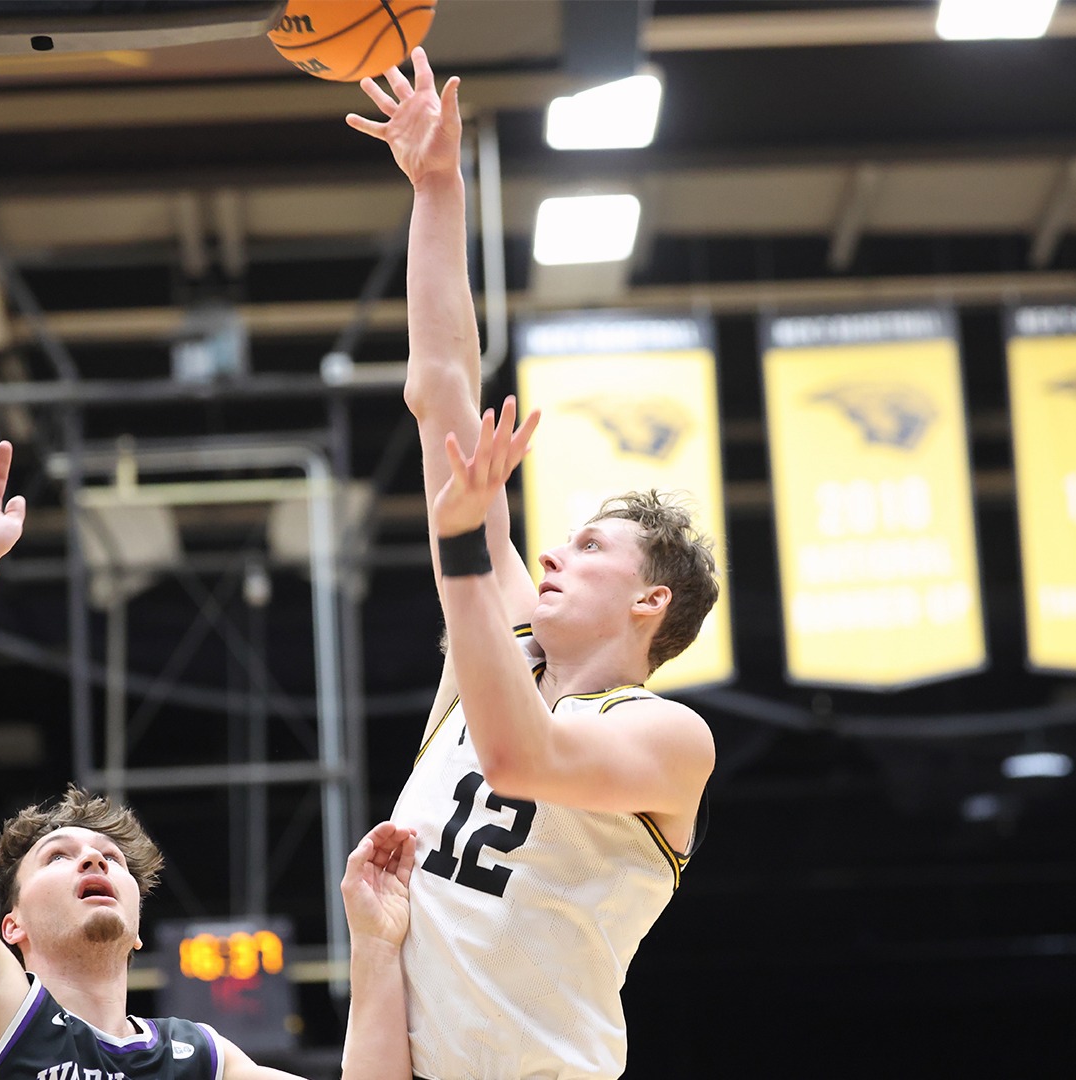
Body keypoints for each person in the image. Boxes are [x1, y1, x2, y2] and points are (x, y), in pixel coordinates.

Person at [347, 50, 721, 1080]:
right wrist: (436, 191)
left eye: (589, 545)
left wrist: (466, 550)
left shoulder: (665, 736)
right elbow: (442, 392)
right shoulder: (499, 632)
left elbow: (520, 759)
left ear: (652, 601)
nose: (551, 551)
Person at [0, 427, 418, 1080]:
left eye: (110, 858)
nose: (92, 857)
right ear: (12, 924)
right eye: (59, 856)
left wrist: (372, 942)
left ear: (140, 929)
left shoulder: (201, 1058)